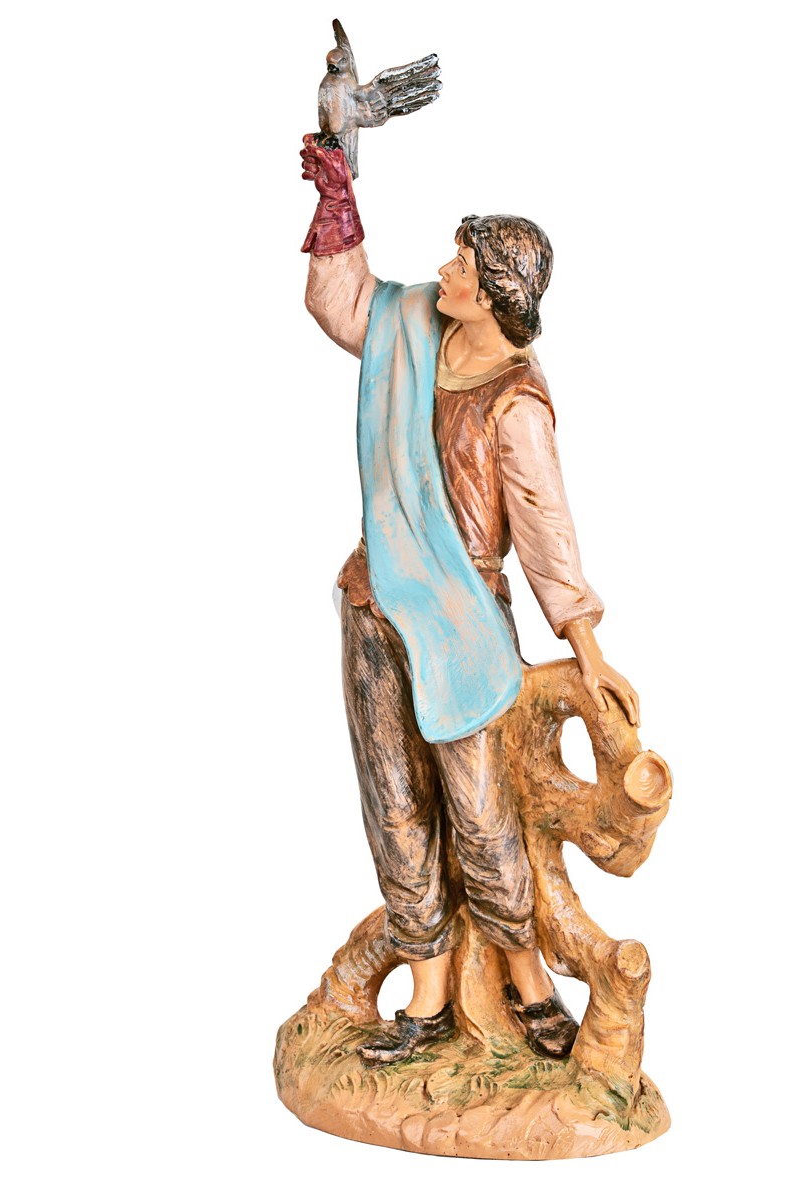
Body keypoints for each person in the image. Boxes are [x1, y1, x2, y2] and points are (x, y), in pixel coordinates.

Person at [300, 135, 639, 1065]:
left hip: (460, 623)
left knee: (482, 809)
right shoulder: (412, 323)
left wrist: (586, 645)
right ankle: (428, 990)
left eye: (462, 262)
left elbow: (544, 524)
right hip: (376, 603)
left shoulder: (514, 400)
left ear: (493, 293)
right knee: (394, 799)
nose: (445, 269)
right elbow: (341, 302)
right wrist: (337, 201)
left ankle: (527, 979)